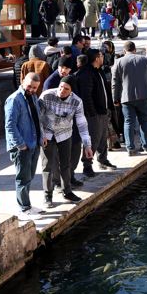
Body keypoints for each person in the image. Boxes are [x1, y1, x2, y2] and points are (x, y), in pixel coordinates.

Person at [39, 76, 93, 207]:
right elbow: (38, 117)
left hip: (65, 134)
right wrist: (41, 135)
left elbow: (81, 123)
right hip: (47, 134)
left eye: (66, 88)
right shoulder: (46, 95)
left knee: (66, 164)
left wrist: (87, 145)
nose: (62, 90)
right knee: (47, 166)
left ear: (71, 91)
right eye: (61, 86)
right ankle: (48, 195)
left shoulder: (77, 101)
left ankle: (67, 191)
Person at [4, 73, 46, 219]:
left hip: (34, 142)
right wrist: (20, 145)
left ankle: (27, 204)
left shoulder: (33, 96)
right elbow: (10, 126)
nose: (32, 89)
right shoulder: (14, 99)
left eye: (35, 88)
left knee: (29, 175)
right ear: (23, 82)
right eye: (29, 86)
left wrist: (42, 136)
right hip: (22, 146)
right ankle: (23, 208)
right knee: (22, 177)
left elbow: (37, 118)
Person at [74, 49, 117, 173]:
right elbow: (86, 96)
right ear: (97, 58)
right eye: (102, 56)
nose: (103, 58)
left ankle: (103, 159)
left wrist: (108, 107)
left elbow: (104, 91)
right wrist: (92, 113)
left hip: (102, 111)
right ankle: (87, 165)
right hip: (93, 114)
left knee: (103, 137)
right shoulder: (86, 74)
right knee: (93, 139)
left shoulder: (99, 71)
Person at [112, 41, 147, 156]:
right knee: (144, 121)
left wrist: (115, 98)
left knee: (128, 122)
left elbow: (115, 83)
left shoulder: (118, 62)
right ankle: (145, 145)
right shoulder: (144, 60)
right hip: (143, 96)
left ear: (124, 51)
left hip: (126, 97)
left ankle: (130, 148)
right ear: (135, 49)